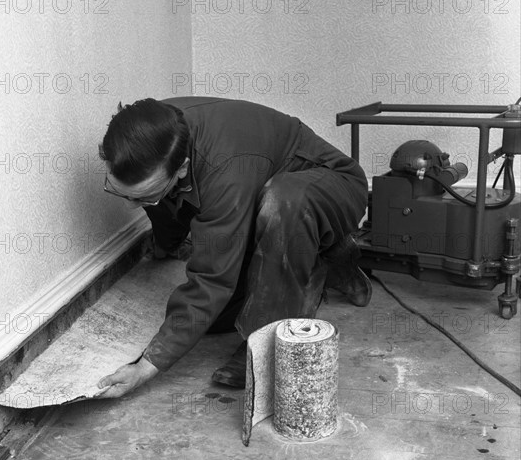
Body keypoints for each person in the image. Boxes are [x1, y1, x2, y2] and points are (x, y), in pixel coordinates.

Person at [96, 96, 370, 398]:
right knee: (214, 321)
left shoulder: (223, 170)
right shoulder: (149, 134)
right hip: (261, 195)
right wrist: (166, 244)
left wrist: (147, 367)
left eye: (143, 197)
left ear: (183, 168)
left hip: (331, 185)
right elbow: (164, 202)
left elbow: (211, 279)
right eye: (123, 194)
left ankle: (266, 341)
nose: (134, 206)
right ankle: (327, 258)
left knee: (284, 201)